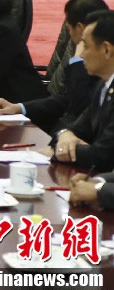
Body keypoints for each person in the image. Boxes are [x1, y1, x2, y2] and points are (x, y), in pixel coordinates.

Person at [0, 0, 110, 135]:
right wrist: (18, 108)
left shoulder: (96, 67)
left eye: (69, 29)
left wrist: (77, 60)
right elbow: (66, 101)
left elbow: (79, 106)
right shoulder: (97, 65)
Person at [47, 12, 114, 207]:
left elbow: (104, 154)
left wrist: (56, 151)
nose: (81, 53)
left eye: (85, 46)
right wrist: (66, 134)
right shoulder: (104, 85)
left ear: (107, 50)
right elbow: (77, 127)